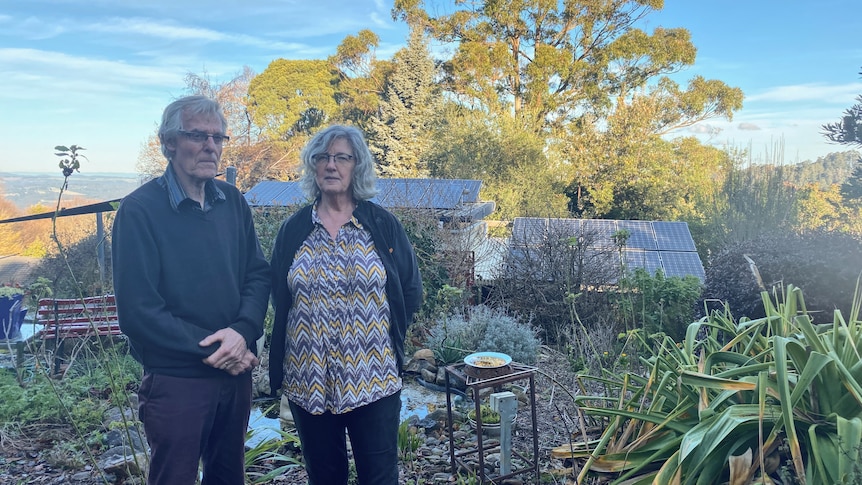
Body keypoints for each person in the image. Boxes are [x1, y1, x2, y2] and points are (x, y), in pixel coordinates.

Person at [112, 95, 271, 485]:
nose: (210, 146)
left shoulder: (233, 203)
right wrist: (221, 349)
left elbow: (257, 274)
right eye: (197, 135)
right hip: (177, 381)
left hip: (234, 379)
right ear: (168, 143)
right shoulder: (139, 212)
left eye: (218, 137)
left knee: (227, 478)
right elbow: (139, 313)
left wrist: (243, 331)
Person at [269, 125, 423, 484]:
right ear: (312, 166)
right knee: (324, 477)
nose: (331, 165)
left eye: (341, 157)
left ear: (358, 166)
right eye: (322, 157)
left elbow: (409, 290)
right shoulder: (294, 230)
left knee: (379, 476)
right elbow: (281, 295)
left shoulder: (382, 226)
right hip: (309, 380)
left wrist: (379, 338)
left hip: (373, 377)